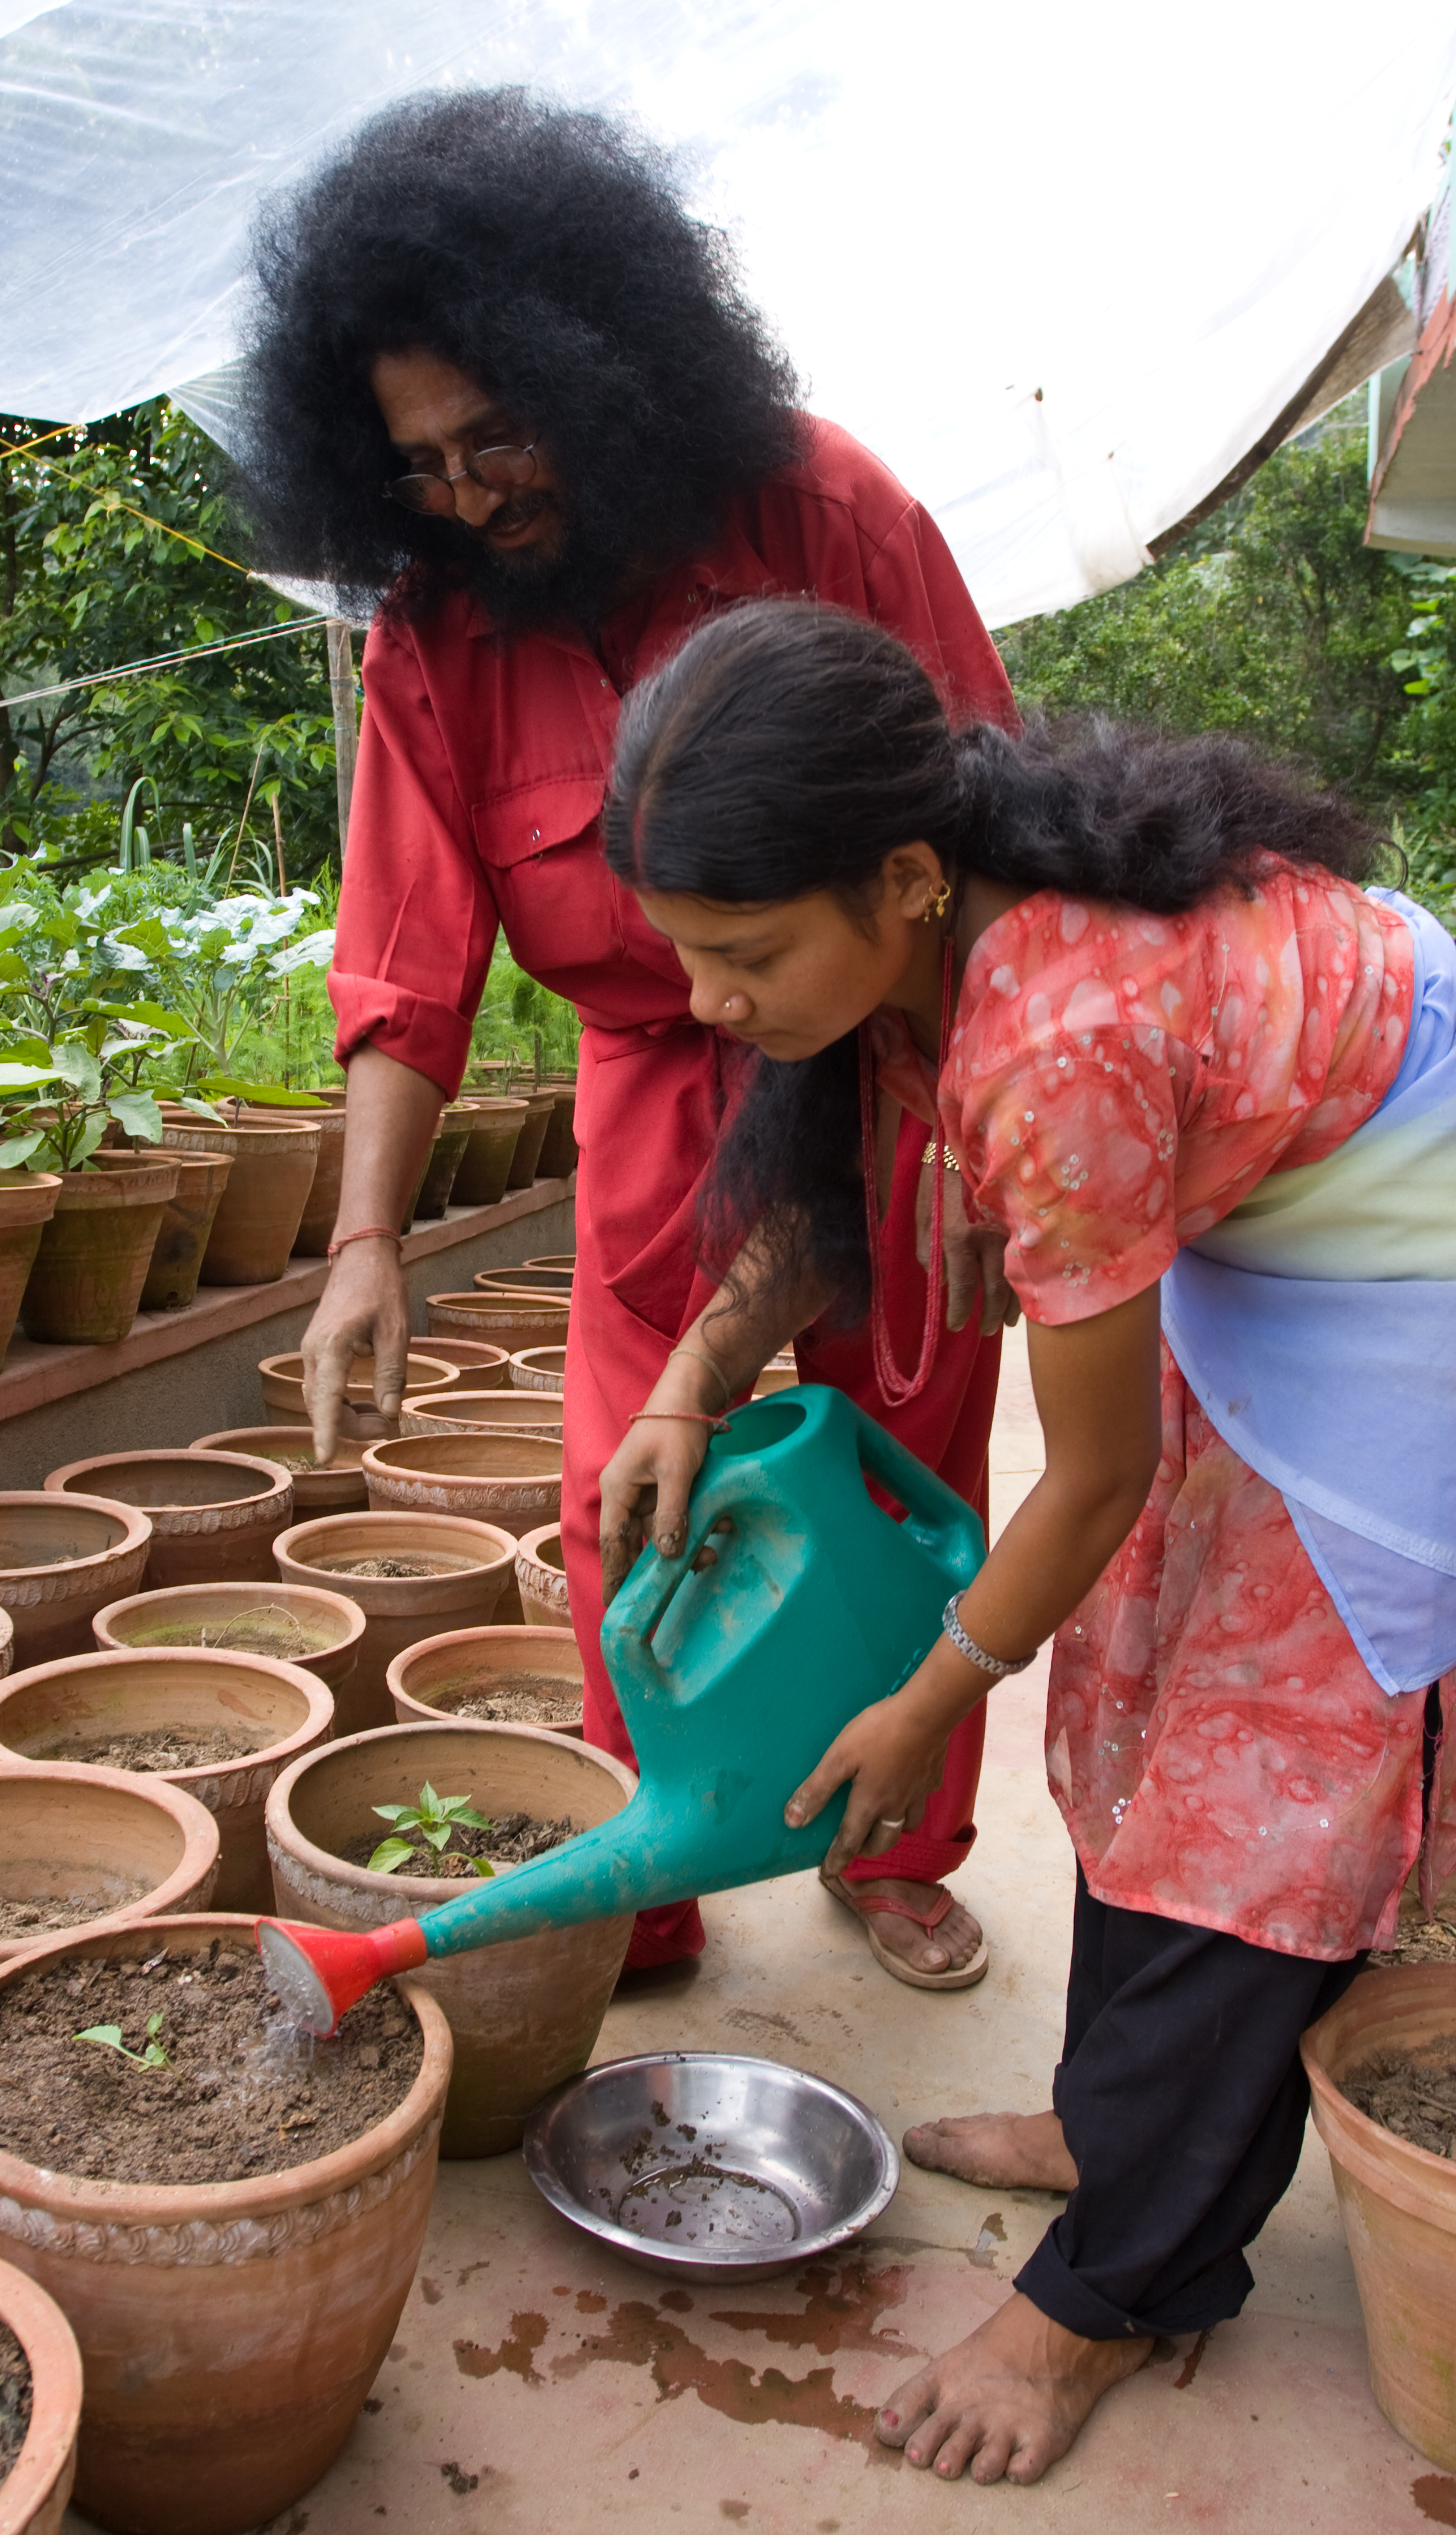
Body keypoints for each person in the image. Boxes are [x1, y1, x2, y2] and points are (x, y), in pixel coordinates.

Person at [597, 597, 1455, 2484]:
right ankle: (1115, 2121)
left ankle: (1120, 2284)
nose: (712, 1005)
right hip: (1292, 1225)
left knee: (1258, 1803)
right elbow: (825, 1205)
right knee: (1131, 1704)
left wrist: (927, 1702)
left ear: (904, 876)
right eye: (685, 957)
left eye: (745, 957)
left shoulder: (1060, 1030)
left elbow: (1081, 1477)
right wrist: (686, 1384)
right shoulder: (946, 914)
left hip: (1412, 1285)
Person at [241, 87, 1020, 1978]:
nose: (468, 492)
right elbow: (408, 957)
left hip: (906, 1078)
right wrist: (363, 1247)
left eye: (495, 434)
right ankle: (652, 1872)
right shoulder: (430, 631)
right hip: (661, 1109)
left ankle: (887, 1842)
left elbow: (991, 846)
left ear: (601, 363)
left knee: (892, 1475)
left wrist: (1004, 1139)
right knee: (635, 1500)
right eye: (415, 464)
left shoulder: (829, 512)